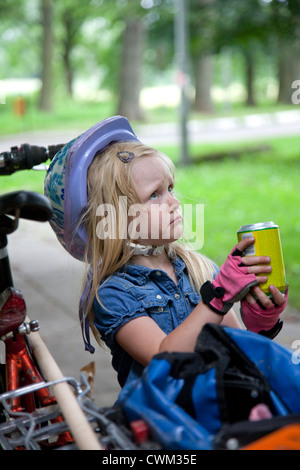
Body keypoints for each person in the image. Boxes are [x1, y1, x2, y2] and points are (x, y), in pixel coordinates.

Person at [44, 116, 288, 389]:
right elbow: (165, 357)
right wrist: (218, 297)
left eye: (170, 188)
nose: (174, 202)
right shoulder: (112, 294)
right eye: (154, 195)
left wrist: (260, 327)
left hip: (216, 412)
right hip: (160, 425)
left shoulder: (198, 269)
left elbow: (242, 359)